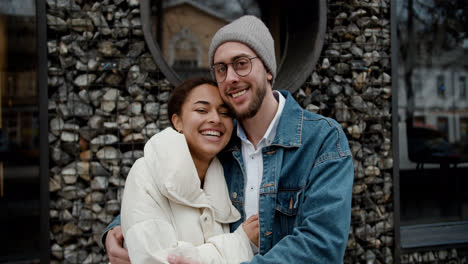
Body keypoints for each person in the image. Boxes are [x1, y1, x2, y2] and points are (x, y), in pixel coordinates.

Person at [103, 15, 354, 264]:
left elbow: (322, 246)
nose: (231, 77)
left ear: (267, 69)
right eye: (221, 69)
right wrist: (118, 229)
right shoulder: (218, 142)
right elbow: (168, 180)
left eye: (241, 63)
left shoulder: (321, 139)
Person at [118, 77, 258, 263]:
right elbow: (155, 260)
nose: (215, 119)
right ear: (177, 122)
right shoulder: (145, 174)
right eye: (201, 110)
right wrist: (241, 243)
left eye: (225, 113)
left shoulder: (227, 178)